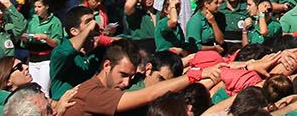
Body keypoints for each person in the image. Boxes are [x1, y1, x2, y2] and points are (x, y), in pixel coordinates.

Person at [56, 43, 209, 116]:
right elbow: (150, 94)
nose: (127, 83)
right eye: (123, 75)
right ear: (107, 65)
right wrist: (194, 75)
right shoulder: (94, 93)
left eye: (131, 76)